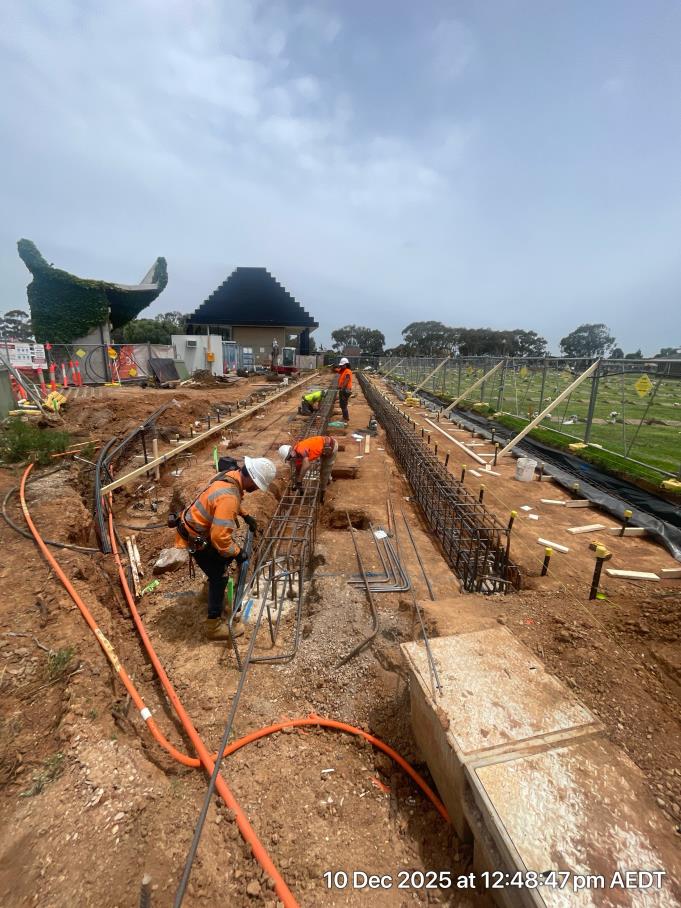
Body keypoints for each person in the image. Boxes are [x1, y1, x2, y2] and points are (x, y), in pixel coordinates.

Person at [174, 455, 276, 640]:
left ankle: (208, 594)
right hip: (196, 537)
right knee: (220, 574)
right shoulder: (229, 496)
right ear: (251, 478)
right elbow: (220, 538)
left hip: (193, 527)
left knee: (219, 562)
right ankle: (213, 626)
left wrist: (245, 515)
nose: (255, 490)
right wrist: (239, 554)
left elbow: (226, 502)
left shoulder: (229, 475)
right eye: (257, 485)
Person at [278, 435, 338, 502]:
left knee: (324, 471)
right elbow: (299, 468)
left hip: (331, 446)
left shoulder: (300, 449)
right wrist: (296, 482)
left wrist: (299, 481)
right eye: (289, 459)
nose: (290, 460)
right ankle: (328, 479)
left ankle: (322, 494)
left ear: (291, 452)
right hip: (324, 447)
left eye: (289, 458)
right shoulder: (296, 452)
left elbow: (306, 465)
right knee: (324, 466)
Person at [335, 357, 353, 422]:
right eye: (341, 365)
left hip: (345, 390)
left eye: (342, 365)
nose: (341, 366)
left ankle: (346, 418)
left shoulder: (348, 371)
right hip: (343, 389)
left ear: (346, 364)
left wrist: (342, 388)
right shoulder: (343, 370)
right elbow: (335, 370)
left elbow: (347, 379)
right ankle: (344, 417)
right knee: (342, 404)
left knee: (344, 405)